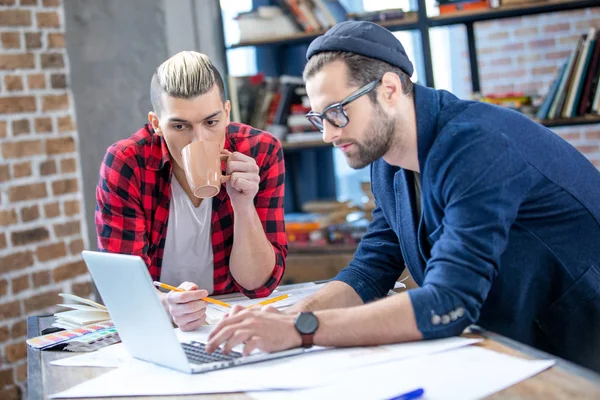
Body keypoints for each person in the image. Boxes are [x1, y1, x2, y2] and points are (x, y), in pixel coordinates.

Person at [206, 21, 600, 372]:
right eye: (319, 118)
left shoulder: (477, 146)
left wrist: (300, 330)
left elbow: (448, 301)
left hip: (579, 354)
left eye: (337, 112)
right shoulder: (387, 160)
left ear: (390, 89)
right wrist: (292, 315)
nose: (328, 134)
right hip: (517, 349)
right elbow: (371, 270)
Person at [95, 51, 287, 331]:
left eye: (211, 122)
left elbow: (258, 285)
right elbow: (123, 289)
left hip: (228, 318)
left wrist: (244, 205)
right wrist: (166, 308)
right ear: (156, 124)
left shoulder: (260, 152)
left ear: (227, 112)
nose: (200, 139)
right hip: (156, 322)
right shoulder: (127, 163)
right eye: (180, 126)